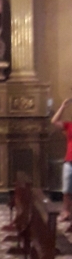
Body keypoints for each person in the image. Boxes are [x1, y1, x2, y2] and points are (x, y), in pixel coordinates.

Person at [51, 95, 72, 223]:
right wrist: (63, 107)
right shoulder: (69, 125)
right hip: (69, 161)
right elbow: (54, 121)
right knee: (66, 190)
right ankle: (66, 212)